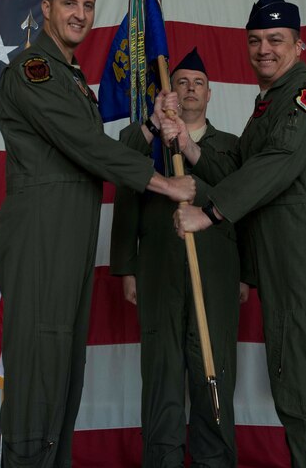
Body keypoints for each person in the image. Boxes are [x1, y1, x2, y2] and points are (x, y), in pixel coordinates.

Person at [0, 0, 195, 468]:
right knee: (39, 378)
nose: (80, 14)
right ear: (45, 9)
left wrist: (149, 127)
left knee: (64, 377)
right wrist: (164, 182)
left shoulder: (70, 76)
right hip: (41, 239)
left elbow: (92, 146)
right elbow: (85, 145)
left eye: (86, 6)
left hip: (70, 239)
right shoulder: (32, 71)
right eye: (68, 3)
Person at [166, 0, 306, 467]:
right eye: (255, 41)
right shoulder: (268, 105)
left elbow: (278, 164)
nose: (263, 50)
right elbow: (240, 166)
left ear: (298, 44)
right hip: (283, 254)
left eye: (275, 40)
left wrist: (207, 212)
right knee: (293, 382)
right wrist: (188, 145)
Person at [110, 48, 251, 467]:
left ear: (211, 94)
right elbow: (124, 184)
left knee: (214, 371)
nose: (190, 89)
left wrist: (248, 274)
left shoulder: (231, 147)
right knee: (162, 376)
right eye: (182, 82)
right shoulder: (148, 143)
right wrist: (126, 266)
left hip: (217, 274)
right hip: (158, 271)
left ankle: (214, 461)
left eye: (198, 83)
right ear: (170, 92)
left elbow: (245, 201)